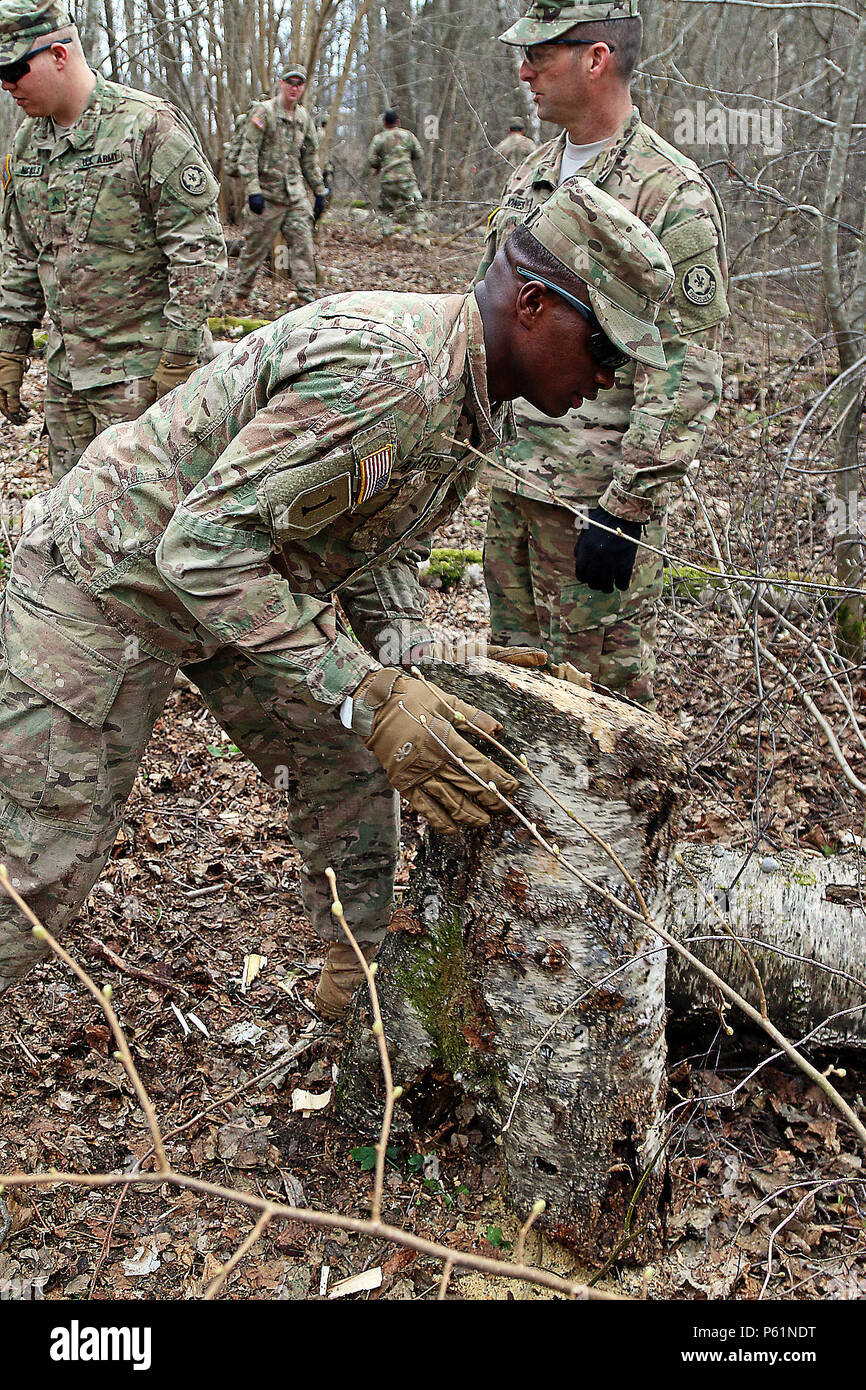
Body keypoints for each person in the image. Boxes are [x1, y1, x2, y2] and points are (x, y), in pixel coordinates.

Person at [0, 178, 672, 1018]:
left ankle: (361, 1007)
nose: (606, 380)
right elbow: (201, 547)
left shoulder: (473, 400)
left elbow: (370, 548)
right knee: (37, 871)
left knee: (350, 762)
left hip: (244, 590)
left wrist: (414, 663)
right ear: (535, 304)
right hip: (107, 581)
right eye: (604, 348)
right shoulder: (394, 376)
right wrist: (362, 688)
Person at [479, 0, 729, 706]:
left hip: (591, 501)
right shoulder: (530, 177)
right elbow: (490, 319)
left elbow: (685, 367)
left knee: (602, 711)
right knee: (511, 690)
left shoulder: (668, 193)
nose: (524, 71)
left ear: (596, 59)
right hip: (511, 487)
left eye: (541, 54)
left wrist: (626, 509)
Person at [0, 0, 226, 481]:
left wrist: (179, 360)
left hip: (145, 378)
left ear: (58, 55)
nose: (6, 84)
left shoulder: (146, 127)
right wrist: (9, 349)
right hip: (67, 382)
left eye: (14, 69)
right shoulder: (27, 144)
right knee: (73, 522)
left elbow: (197, 253)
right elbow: (21, 256)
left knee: (148, 529)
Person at [234, 64, 328, 305]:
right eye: (290, 82)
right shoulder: (263, 113)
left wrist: (319, 191)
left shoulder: (303, 117)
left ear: (303, 87)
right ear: (281, 83)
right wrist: (253, 191)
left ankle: (307, 300)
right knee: (254, 249)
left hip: (294, 196)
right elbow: (248, 154)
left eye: (299, 84)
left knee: (303, 247)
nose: (294, 88)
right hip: (267, 196)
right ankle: (240, 297)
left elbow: (308, 158)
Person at [366, 108, 424, 236]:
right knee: (415, 207)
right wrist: (407, 159)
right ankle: (421, 236)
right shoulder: (408, 135)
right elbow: (419, 154)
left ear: (385, 123)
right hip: (407, 178)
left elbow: (371, 159)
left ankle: (387, 238)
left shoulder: (379, 138)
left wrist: (379, 165)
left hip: (388, 179)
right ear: (398, 121)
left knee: (386, 210)